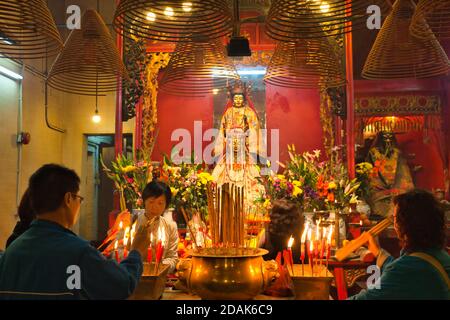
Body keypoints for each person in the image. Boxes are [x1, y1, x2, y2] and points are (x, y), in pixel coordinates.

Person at [0, 164, 151, 300]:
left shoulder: (12, 251)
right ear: (68, 199)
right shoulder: (79, 252)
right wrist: (136, 252)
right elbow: (122, 286)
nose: (79, 204)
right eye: (79, 198)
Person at [349, 189, 449, 300]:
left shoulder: (407, 268)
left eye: (395, 218)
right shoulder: (442, 256)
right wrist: (377, 251)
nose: (394, 224)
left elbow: (370, 297)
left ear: (406, 225)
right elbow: (401, 270)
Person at [135, 180, 179, 273]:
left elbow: (172, 258)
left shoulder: (170, 226)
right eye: (151, 202)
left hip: (159, 276)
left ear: (166, 205)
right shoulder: (133, 223)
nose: (155, 207)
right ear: (144, 201)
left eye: (160, 203)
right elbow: (118, 252)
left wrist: (159, 267)